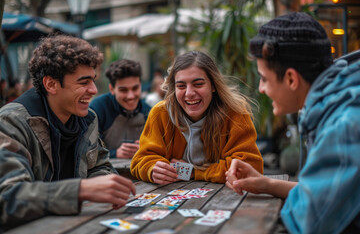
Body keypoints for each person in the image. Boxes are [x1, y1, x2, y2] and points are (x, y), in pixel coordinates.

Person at [226, 12, 360, 234]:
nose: (260, 88)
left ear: (291, 79)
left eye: (264, 78)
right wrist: (268, 184)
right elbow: (326, 194)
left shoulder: (345, 124)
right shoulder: (337, 102)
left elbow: (308, 222)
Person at [0, 35, 136, 229]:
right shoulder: (11, 122)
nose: (94, 89)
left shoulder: (88, 118)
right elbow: (7, 199)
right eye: (84, 82)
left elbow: (100, 166)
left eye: (93, 80)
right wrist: (80, 190)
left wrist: (103, 184)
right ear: (51, 84)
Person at [131, 51, 263, 184]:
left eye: (198, 84)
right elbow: (140, 160)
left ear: (213, 85)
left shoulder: (236, 113)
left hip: (227, 200)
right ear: (174, 88)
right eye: (181, 86)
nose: (189, 93)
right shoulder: (160, 113)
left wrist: (193, 172)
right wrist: (152, 169)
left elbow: (251, 167)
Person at [90, 59, 151, 159]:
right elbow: (87, 151)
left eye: (135, 88)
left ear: (141, 86)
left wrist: (147, 149)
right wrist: (115, 154)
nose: (131, 96)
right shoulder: (98, 108)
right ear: (111, 89)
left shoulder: (148, 112)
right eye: (123, 90)